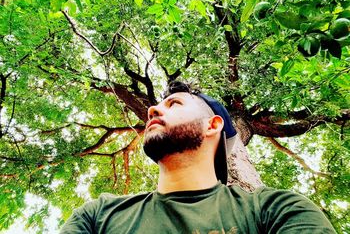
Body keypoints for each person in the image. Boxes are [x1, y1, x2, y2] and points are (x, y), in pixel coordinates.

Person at [60, 81, 336, 233]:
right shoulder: (98, 216)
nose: (152, 111)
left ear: (213, 125)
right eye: (154, 106)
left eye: (174, 103)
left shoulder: (276, 211)